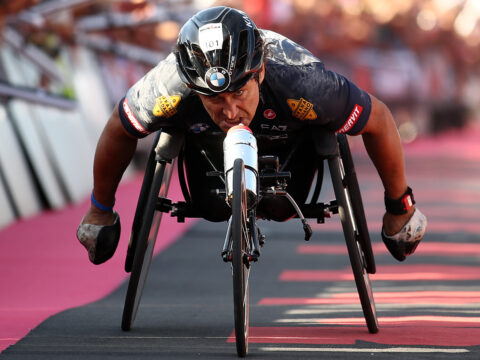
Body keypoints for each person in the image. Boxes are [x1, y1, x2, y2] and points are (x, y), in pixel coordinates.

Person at [77, 6, 426, 265]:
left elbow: (377, 118)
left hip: (292, 160)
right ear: (192, 86)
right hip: (205, 170)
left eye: (239, 94)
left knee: (282, 202)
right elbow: (120, 128)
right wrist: (100, 209)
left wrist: (400, 205)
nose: (229, 111)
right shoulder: (170, 86)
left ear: (258, 73)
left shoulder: (302, 82)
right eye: (214, 99)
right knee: (209, 202)